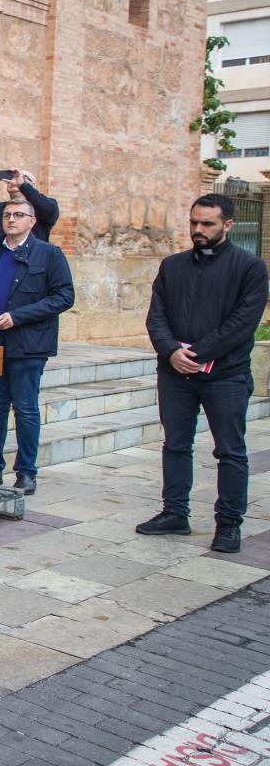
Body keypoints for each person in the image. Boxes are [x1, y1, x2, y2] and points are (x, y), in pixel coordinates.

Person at [137, 194, 268, 553]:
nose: (198, 230)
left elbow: (242, 323)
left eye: (207, 224)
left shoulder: (249, 267)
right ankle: (175, 512)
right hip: (175, 373)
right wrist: (171, 352)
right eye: (194, 222)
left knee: (229, 451)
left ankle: (228, 524)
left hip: (225, 375)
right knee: (175, 445)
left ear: (227, 225)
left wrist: (196, 353)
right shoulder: (173, 265)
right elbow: (156, 316)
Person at [0, 198, 75, 495]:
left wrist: (18, 317)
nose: (11, 219)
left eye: (19, 215)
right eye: (7, 215)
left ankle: (26, 472)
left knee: (25, 409)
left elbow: (64, 296)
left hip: (28, 345)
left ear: (32, 221)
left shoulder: (49, 254)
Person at [0, 169, 60, 243]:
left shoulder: (44, 207)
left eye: (24, 178)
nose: (16, 180)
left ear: (33, 186)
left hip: (31, 263)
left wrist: (23, 186)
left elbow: (50, 211)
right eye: (12, 177)